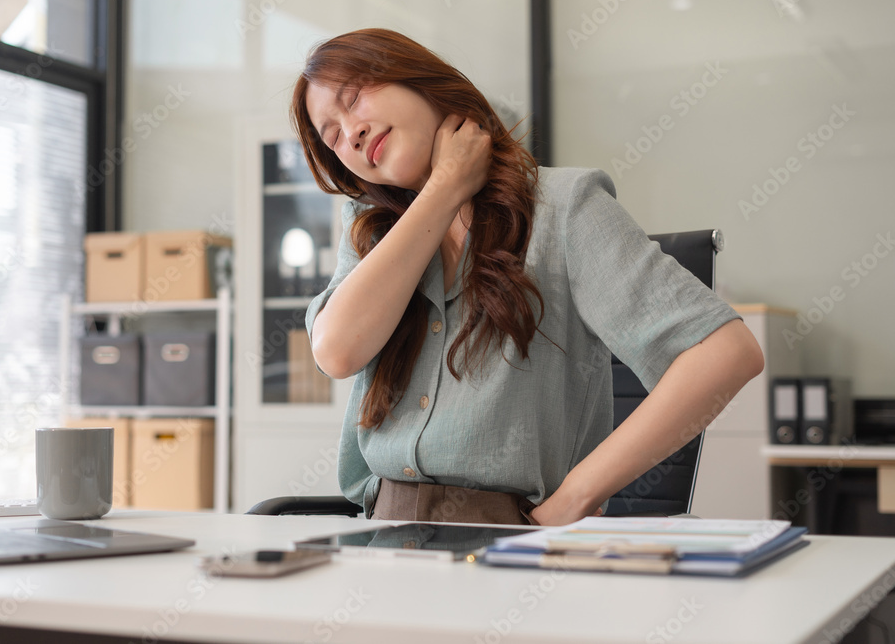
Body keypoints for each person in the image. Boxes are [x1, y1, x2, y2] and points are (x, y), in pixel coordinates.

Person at [290, 28, 764, 527]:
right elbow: (337, 352)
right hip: (382, 536)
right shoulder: (369, 232)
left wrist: (575, 497)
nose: (352, 132)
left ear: (419, 79)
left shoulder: (563, 208)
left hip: (515, 543)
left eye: (355, 98)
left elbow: (725, 354)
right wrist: (446, 187)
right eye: (334, 136)